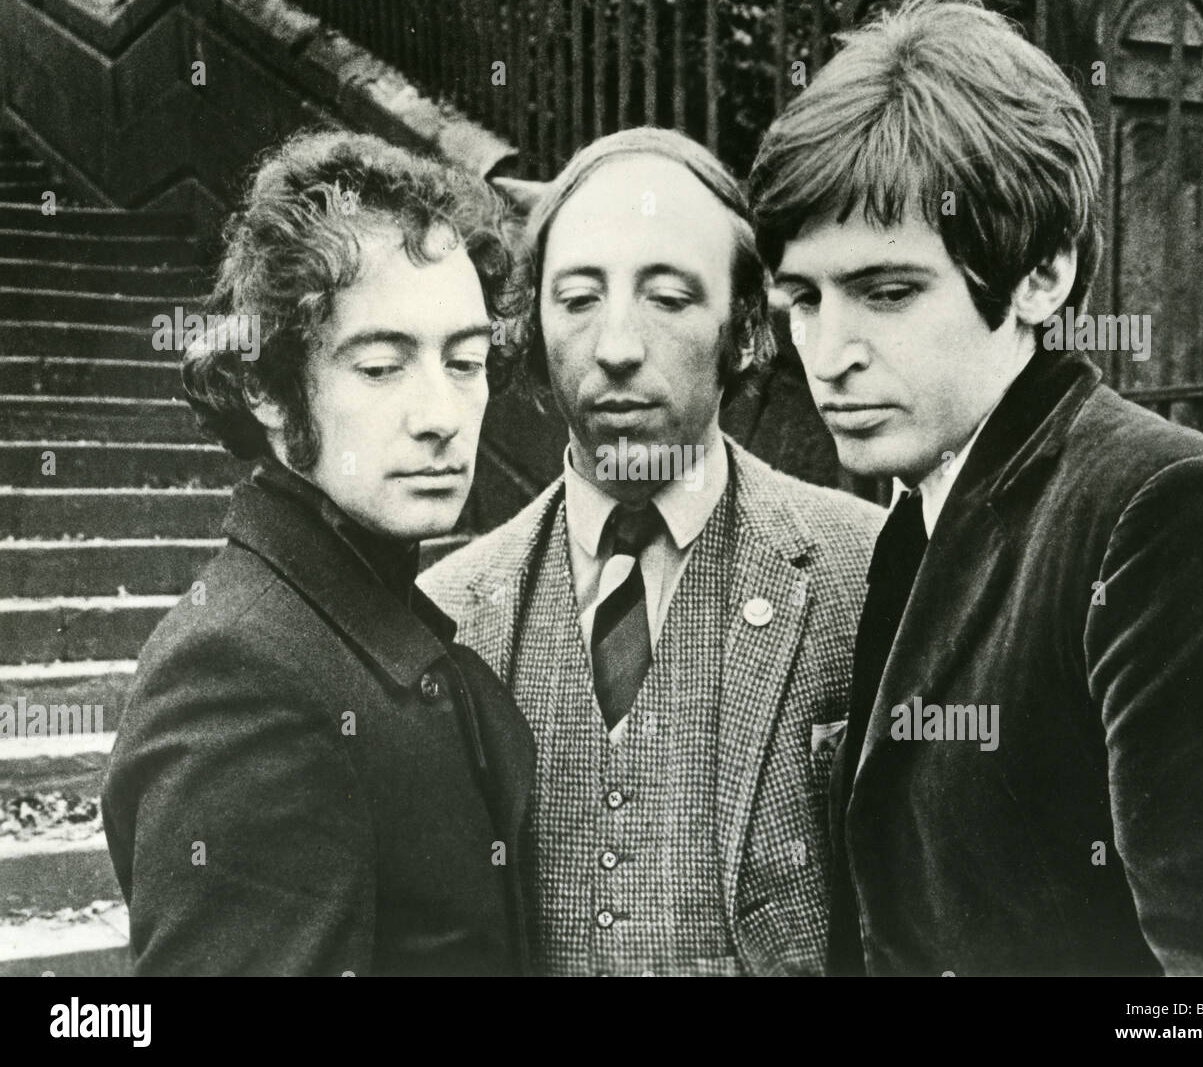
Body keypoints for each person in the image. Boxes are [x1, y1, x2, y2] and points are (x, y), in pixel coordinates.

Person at [749, 0, 1203, 976]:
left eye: (886, 291)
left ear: (1042, 275)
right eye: (803, 297)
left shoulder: (1162, 510)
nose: (829, 352)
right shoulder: (920, 509)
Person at [421, 127, 885, 976]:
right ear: (532, 327)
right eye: (577, 299)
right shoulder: (446, 608)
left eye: (668, 298)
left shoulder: (868, 569)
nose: (617, 346)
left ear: (744, 329)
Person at [102, 130, 535, 976]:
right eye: (381, 366)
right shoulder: (238, 674)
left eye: (467, 360)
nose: (441, 412)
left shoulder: (366, 613)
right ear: (265, 387)